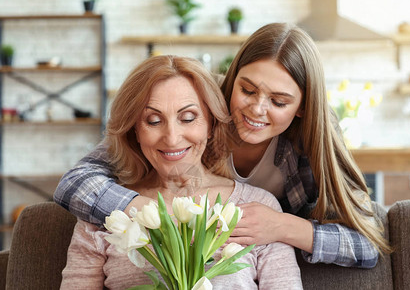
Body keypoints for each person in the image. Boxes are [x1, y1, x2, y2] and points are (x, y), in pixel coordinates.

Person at [54, 23, 390, 270]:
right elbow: (76, 183)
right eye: (247, 89)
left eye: (278, 101)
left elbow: (366, 243)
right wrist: (154, 213)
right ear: (233, 76)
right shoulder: (196, 107)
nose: (257, 109)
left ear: (302, 106)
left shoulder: (311, 139)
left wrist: (281, 226)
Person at [60, 55, 302, 289]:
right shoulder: (106, 214)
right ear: (135, 130)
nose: (172, 138)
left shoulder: (258, 207)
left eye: (188, 118)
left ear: (210, 124)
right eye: (153, 121)